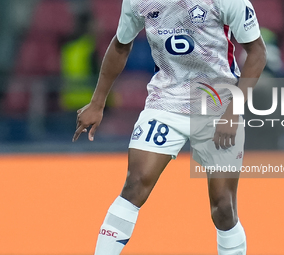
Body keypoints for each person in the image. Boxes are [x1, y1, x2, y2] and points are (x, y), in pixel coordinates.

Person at [73, 0, 266, 254]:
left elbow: (258, 53)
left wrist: (233, 112)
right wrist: (97, 103)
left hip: (217, 105)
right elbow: (120, 45)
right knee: (135, 184)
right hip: (165, 102)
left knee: (223, 207)